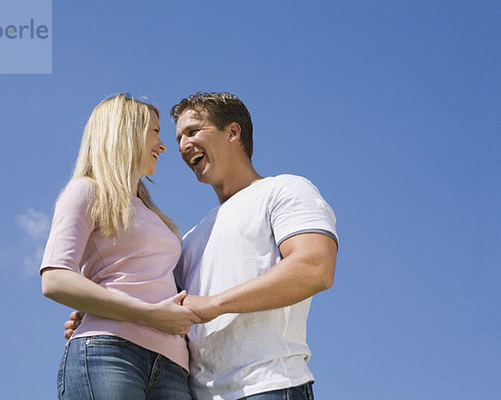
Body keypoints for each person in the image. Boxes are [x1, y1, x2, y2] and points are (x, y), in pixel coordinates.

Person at [66, 92, 338, 400]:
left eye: (193, 132)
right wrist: (102, 309)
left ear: (232, 132)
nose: (181, 146)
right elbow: (166, 305)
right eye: (179, 137)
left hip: (268, 386)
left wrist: (214, 304)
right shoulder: (189, 240)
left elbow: (314, 267)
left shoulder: (284, 190)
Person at [40, 94, 201, 400]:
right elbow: (55, 279)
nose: (163, 146)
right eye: (155, 132)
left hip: (173, 365)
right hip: (109, 352)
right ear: (126, 131)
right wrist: (148, 314)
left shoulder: (156, 217)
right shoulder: (86, 191)